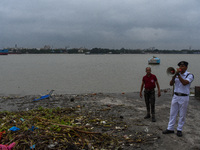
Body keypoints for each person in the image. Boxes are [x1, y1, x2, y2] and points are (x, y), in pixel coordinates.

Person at [163, 61, 194, 137]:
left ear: (186, 67)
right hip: (176, 96)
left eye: (183, 66)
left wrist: (178, 75)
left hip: (184, 97)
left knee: (182, 114)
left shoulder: (189, 75)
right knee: (172, 113)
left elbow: (184, 83)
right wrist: (174, 76)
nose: (181, 68)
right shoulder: (176, 75)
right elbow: (170, 84)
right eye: (180, 66)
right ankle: (170, 128)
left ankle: (179, 129)